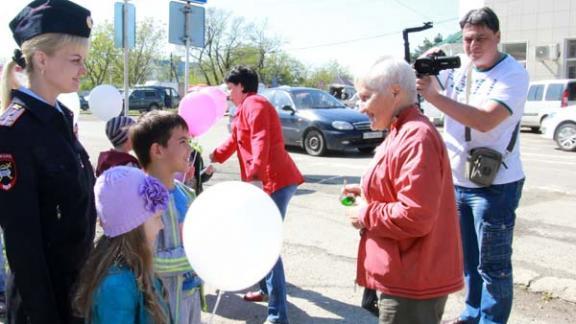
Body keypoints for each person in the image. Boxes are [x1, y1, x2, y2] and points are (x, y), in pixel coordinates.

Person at [416, 7, 529, 324]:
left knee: (493, 265)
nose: (473, 46)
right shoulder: (459, 67)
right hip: (456, 180)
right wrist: (424, 62)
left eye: (481, 38)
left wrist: (434, 96)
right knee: (467, 259)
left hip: (497, 185)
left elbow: (485, 120)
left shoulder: (513, 74)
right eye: (468, 39)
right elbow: (417, 79)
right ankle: (471, 312)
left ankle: (490, 320)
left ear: (498, 37)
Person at [342, 56, 464, 324]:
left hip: (413, 281)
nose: (360, 107)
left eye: (365, 97)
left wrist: (366, 213)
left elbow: (415, 215)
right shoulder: (400, 130)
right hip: (403, 274)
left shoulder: (416, 136)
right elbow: (397, 185)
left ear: (395, 92)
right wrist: (365, 190)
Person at [0, 1, 97, 323]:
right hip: (43, 306)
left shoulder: (58, 121)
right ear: (41, 59)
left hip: (75, 293)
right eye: (75, 60)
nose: (83, 69)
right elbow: (23, 243)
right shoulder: (14, 131)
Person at [210, 66, 304, 324]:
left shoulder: (256, 105)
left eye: (230, 88)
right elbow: (236, 141)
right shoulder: (245, 109)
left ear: (241, 86)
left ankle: (277, 316)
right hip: (266, 180)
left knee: (267, 245)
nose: (228, 93)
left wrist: (254, 177)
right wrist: (213, 157)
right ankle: (265, 290)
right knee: (258, 239)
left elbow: (260, 142)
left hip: (275, 182)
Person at [130, 111, 205, 324]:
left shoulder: (186, 193)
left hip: (191, 296)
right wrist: (200, 257)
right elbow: (151, 261)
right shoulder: (146, 198)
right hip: (164, 303)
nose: (190, 148)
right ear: (157, 150)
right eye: (182, 141)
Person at [73, 166, 171, 324]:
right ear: (134, 226)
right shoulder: (116, 286)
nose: (162, 226)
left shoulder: (136, 269)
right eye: (157, 218)